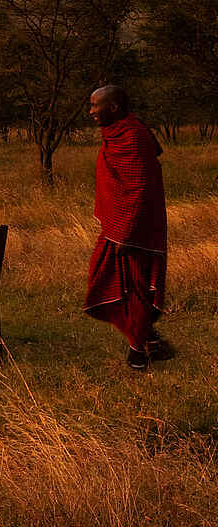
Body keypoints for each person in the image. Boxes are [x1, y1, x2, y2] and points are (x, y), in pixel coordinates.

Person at [83, 85, 172, 369]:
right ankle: (151, 340)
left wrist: (127, 231)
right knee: (104, 280)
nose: (91, 112)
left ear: (114, 107)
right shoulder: (117, 133)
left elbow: (139, 187)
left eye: (96, 106)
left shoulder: (133, 136)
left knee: (136, 288)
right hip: (118, 225)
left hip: (136, 228)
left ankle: (137, 353)